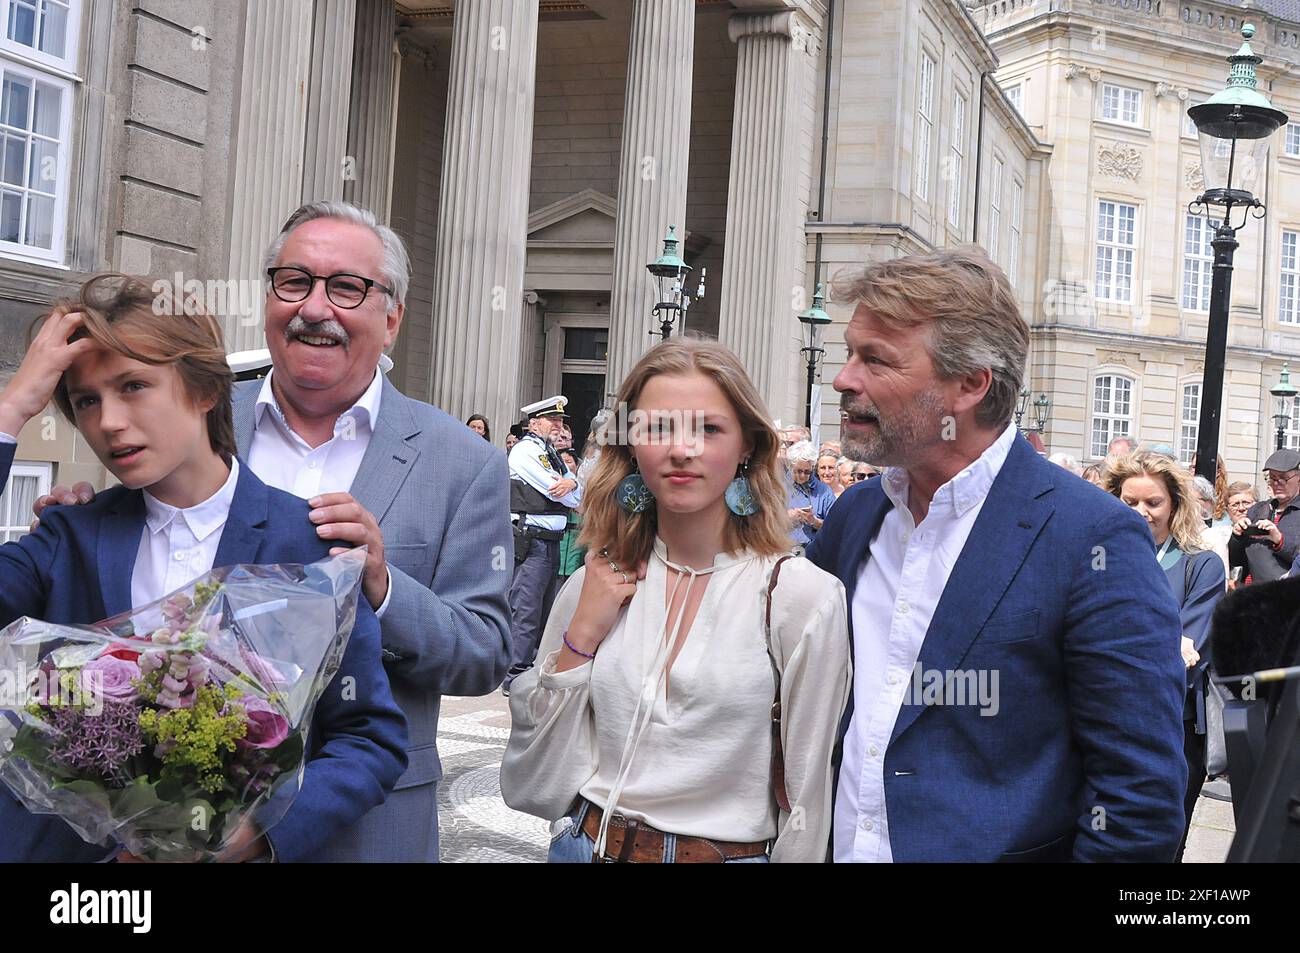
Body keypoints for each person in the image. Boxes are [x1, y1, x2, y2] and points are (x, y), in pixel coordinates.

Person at [36, 201, 512, 862]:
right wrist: (80, 523)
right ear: (269, 296)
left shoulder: (463, 462)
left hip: (365, 830)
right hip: (161, 831)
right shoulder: (189, 411)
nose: (315, 307)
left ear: (393, 315)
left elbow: (486, 652)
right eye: (295, 281)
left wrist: (380, 586)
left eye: (347, 287)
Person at [0, 275, 408, 862]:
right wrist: (13, 408)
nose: (108, 421)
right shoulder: (68, 532)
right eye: (86, 400)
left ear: (205, 391)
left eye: (133, 386)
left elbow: (368, 739)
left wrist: (255, 836)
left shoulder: (311, 542)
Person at [806, 246, 1187, 862]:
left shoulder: (1092, 536)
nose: (844, 378)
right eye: (850, 353)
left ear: (970, 385)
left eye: (875, 360)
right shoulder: (856, 516)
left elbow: (1138, 796)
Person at [500, 337, 850, 863]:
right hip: (585, 846)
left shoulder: (802, 597)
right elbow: (531, 783)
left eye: (708, 428)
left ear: (747, 445)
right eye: (658, 427)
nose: (681, 449)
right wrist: (581, 640)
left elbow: (808, 801)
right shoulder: (594, 583)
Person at [1103, 451, 1225, 861]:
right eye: (1130, 502)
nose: (1141, 512)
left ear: (1174, 505)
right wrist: (1163, 639)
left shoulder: (1200, 565)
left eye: (1153, 503)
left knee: (1160, 846)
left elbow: (1191, 653)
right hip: (1099, 723)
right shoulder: (1094, 560)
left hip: (1172, 727)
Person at [504, 395, 582, 693]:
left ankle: (530, 667)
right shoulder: (526, 451)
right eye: (554, 420)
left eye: (561, 421)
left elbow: (577, 494)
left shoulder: (550, 452)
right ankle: (514, 673)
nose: (559, 426)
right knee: (525, 608)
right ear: (534, 423)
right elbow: (556, 492)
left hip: (549, 541)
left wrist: (573, 483)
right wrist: (570, 487)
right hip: (531, 538)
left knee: (544, 609)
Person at [1228, 448, 1300, 585]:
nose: (1276, 484)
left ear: (1298, 478)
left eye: (1283, 479)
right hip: (1252, 594)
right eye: (1272, 478)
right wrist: (1237, 536)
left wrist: (1279, 540)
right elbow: (1237, 561)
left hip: (1287, 596)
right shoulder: (1258, 509)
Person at [786, 440, 834, 548]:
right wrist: (786, 518)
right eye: (798, 471)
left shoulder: (824, 491)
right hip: (782, 551)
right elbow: (762, 523)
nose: (802, 476)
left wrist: (814, 521)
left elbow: (835, 527)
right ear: (790, 466)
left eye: (807, 472)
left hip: (813, 552)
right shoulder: (778, 486)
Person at [556, 447, 585, 583]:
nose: (565, 466)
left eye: (568, 461)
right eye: (561, 462)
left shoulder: (584, 488)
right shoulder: (550, 488)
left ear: (577, 465)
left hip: (577, 552)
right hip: (555, 556)